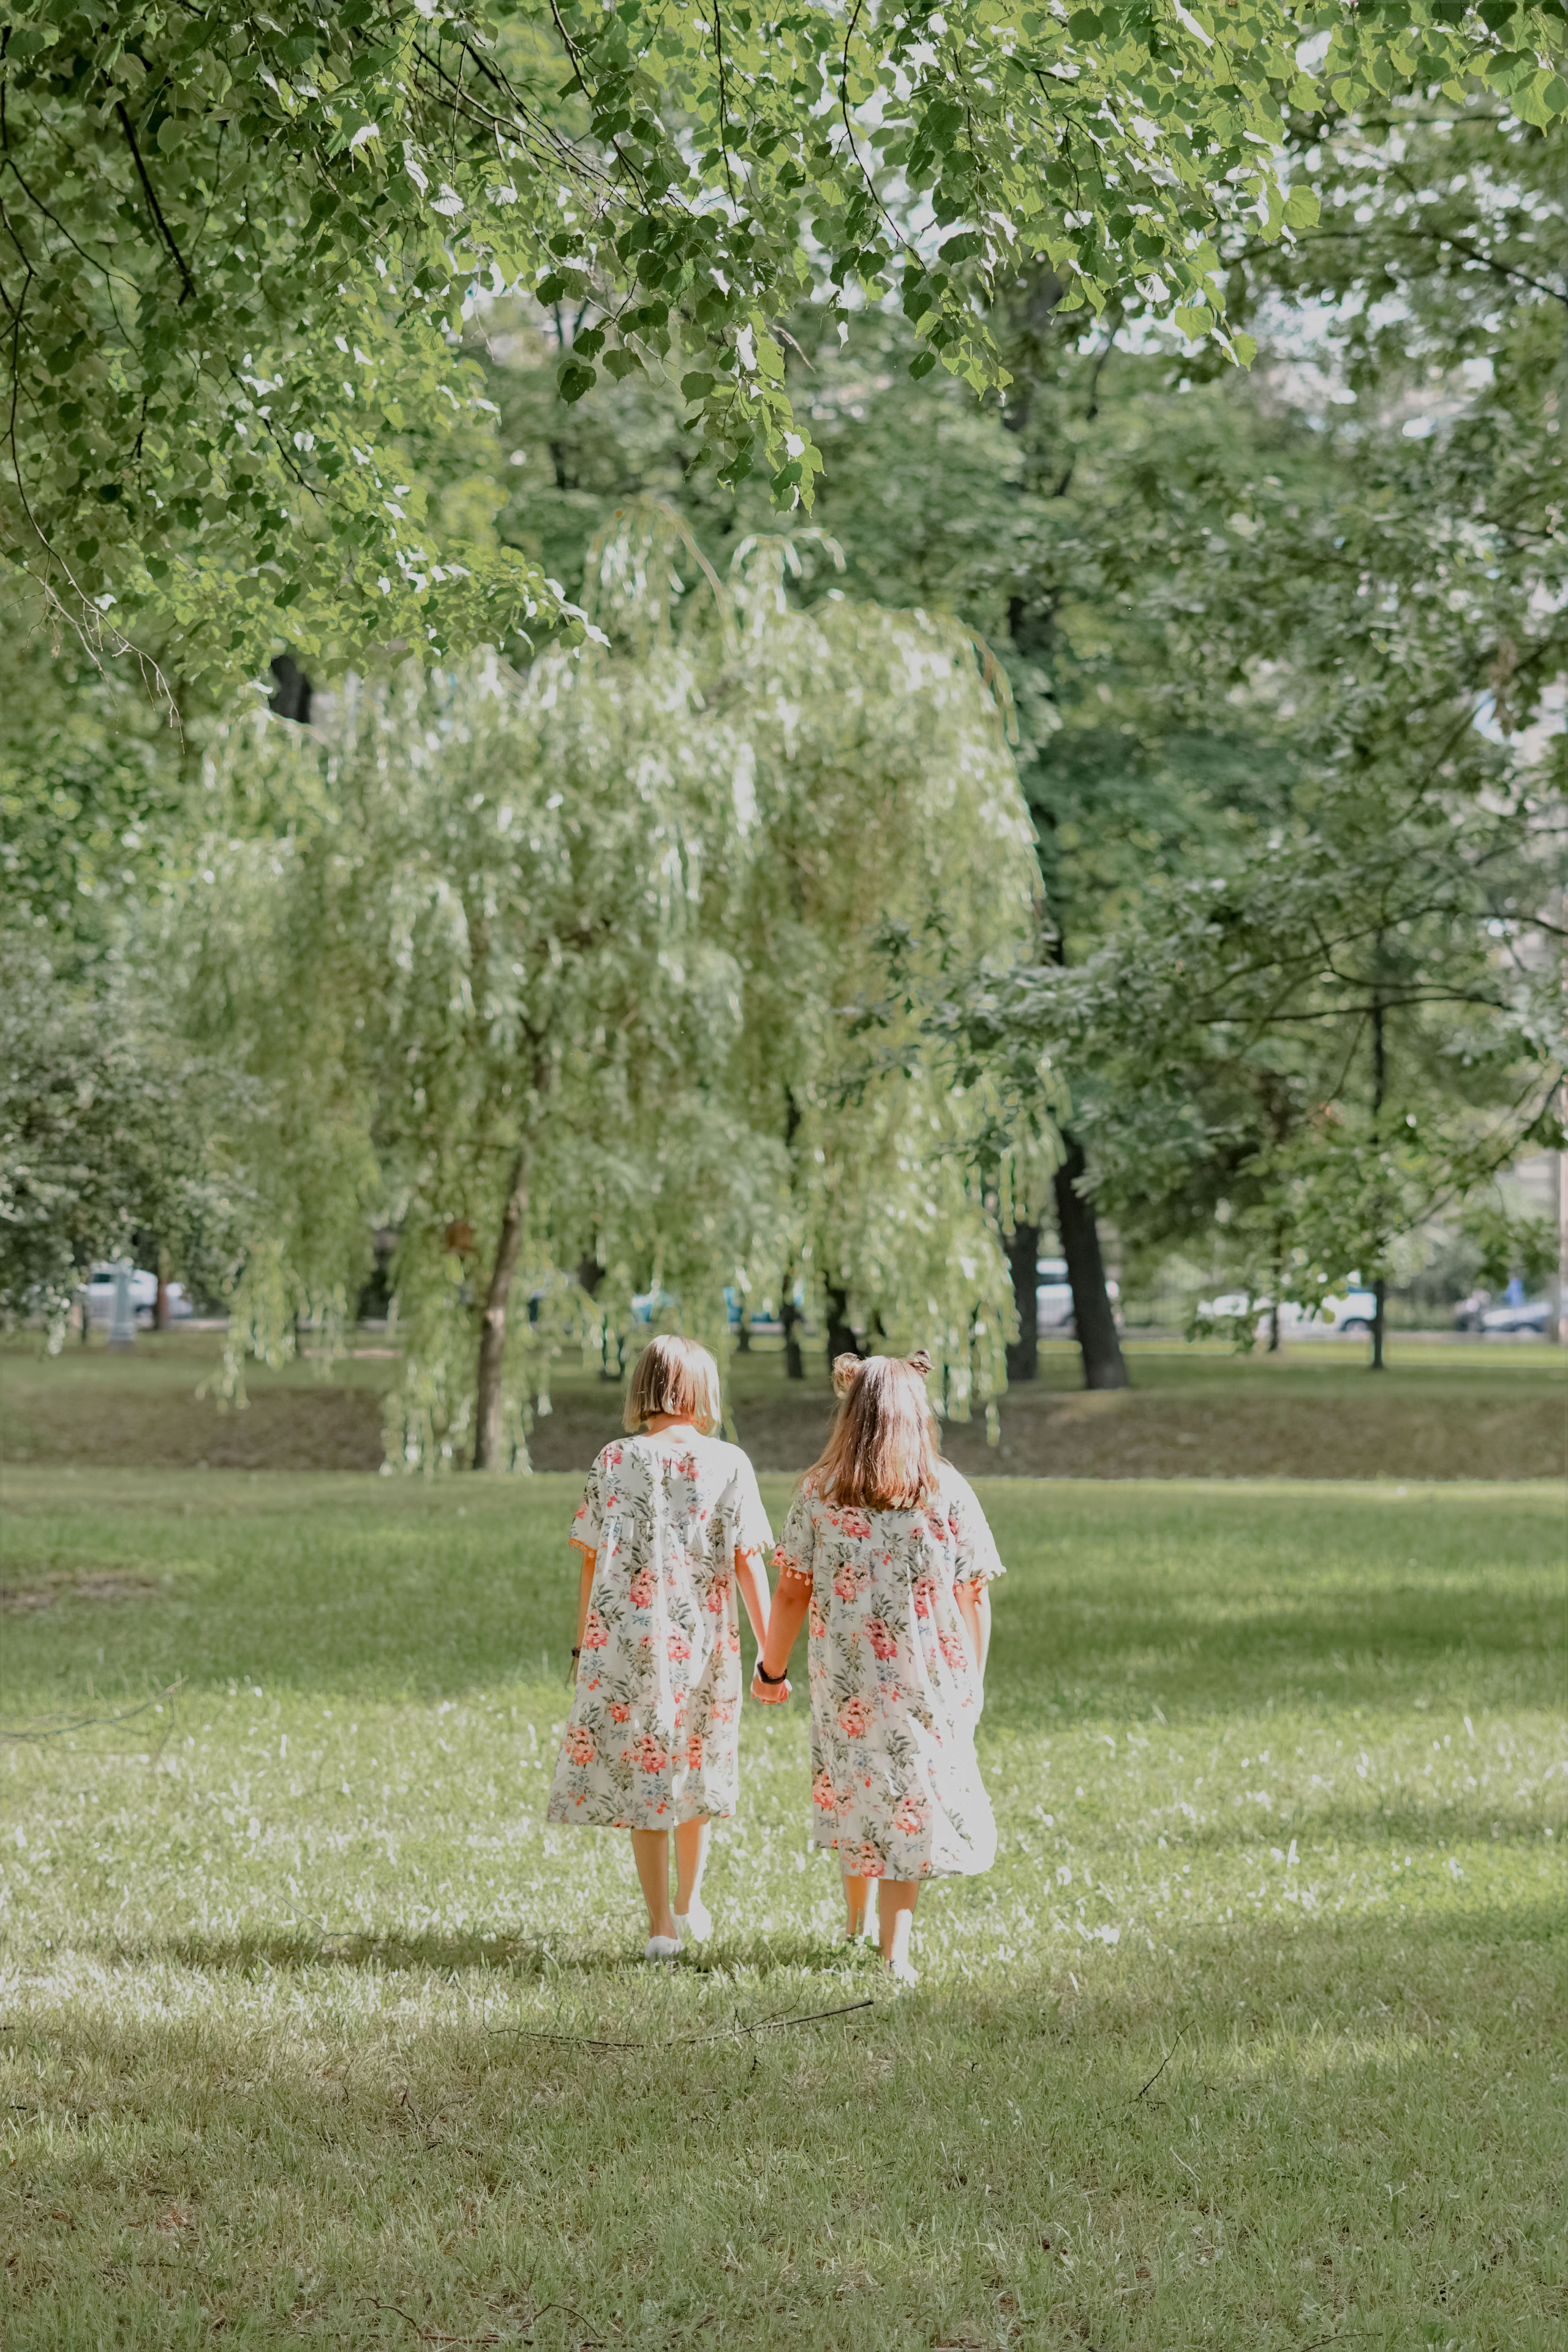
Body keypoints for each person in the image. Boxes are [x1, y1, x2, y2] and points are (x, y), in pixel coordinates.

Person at [751, 1349, 1005, 1985]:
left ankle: (856, 1925)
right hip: (929, 1679)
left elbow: (791, 1590)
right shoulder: (946, 1491)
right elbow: (974, 1593)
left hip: (848, 1680)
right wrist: (970, 1677)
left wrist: (771, 1669)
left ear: (851, 1415)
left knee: (859, 1787)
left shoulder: (818, 1492)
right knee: (909, 1801)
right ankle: (894, 1953)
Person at [546, 1334, 773, 1960]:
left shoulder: (613, 1460)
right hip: (703, 1644)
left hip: (627, 1644)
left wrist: (580, 1648)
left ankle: (660, 1927)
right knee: (693, 1768)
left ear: (643, 1387)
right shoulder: (730, 1461)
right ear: (703, 1393)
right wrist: (768, 1651)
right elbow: (749, 1562)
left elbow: (590, 1563)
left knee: (646, 1779)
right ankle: (689, 1900)